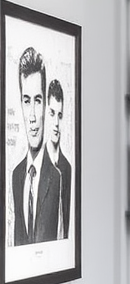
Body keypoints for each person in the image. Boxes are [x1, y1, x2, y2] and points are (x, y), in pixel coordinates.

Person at [10, 47, 61, 245]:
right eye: (26, 101)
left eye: (38, 101)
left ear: (45, 106)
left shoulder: (57, 177)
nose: (31, 116)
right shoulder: (16, 176)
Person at [46, 77, 72, 240]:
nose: (56, 122)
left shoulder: (67, 168)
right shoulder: (38, 167)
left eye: (60, 115)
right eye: (52, 113)